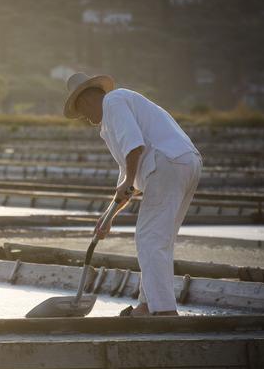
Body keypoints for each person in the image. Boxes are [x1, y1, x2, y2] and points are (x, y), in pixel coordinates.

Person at [63, 72, 202, 316]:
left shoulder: (114, 101)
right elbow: (127, 174)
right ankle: (148, 305)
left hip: (167, 162)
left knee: (149, 238)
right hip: (183, 162)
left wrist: (128, 179)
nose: (84, 118)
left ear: (85, 101)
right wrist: (109, 216)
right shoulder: (112, 120)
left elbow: (135, 146)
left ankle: (164, 312)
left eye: (82, 112)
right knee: (159, 240)